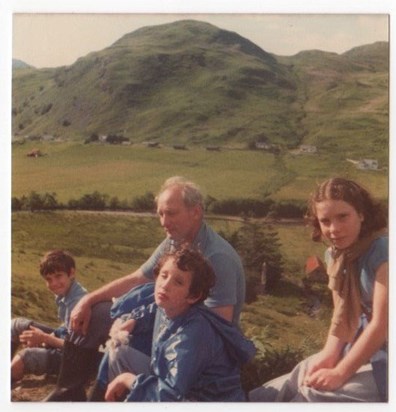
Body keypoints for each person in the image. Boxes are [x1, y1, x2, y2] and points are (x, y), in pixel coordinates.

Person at [45, 176, 246, 401]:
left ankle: (105, 394)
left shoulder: (217, 257)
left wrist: (141, 322)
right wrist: (87, 300)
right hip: (172, 330)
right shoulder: (175, 242)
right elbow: (138, 277)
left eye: (171, 213)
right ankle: (68, 390)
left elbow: (217, 327)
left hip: (196, 358)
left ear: (196, 212)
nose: (163, 221)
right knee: (99, 311)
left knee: (119, 349)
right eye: (160, 213)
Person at [249, 177, 388, 402]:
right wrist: (329, 356)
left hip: (386, 351)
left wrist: (340, 372)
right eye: (325, 221)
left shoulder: (384, 252)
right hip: (363, 342)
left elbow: (381, 324)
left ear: (361, 214)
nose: (334, 229)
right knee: (295, 378)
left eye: (343, 216)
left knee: (315, 394)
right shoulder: (336, 256)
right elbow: (341, 315)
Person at [92, 247, 255, 402]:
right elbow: (155, 310)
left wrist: (129, 380)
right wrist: (135, 320)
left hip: (203, 400)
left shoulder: (191, 336)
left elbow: (170, 398)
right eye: (164, 275)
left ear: (193, 296)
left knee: (130, 379)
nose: (165, 285)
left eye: (178, 282)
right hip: (179, 387)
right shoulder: (172, 306)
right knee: (118, 350)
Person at [11, 250, 88, 386]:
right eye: (48, 279)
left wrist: (45, 339)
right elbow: (66, 327)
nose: (54, 283)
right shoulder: (65, 293)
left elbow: (77, 348)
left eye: (58, 276)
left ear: (71, 273)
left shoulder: (78, 302)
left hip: (77, 359)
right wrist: (50, 336)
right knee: (16, 325)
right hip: (65, 342)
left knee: (23, 359)